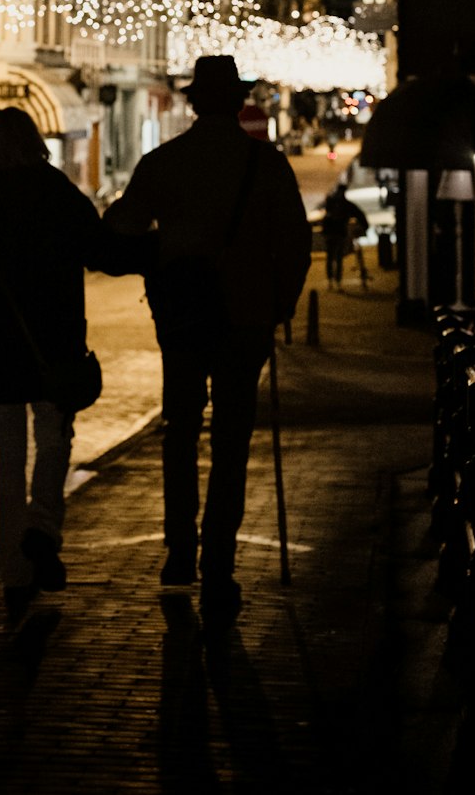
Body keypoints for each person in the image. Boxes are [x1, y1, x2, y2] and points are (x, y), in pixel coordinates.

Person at [103, 54, 312, 628]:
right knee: (232, 441)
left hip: (184, 317)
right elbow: (295, 243)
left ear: (194, 102)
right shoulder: (265, 166)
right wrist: (279, 305)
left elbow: (121, 226)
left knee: (180, 433)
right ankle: (219, 560)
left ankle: (178, 553)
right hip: (245, 320)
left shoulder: (165, 162)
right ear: (238, 101)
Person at [0, 108, 103, 623]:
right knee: (54, 443)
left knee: (5, 462)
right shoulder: (57, 194)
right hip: (52, 349)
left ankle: (14, 576)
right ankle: (43, 527)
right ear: (36, 143)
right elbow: (99, 248)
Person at [321, 182, 369, 291]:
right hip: (339, 233)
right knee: (338, 258)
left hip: (329, 234)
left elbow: (324, 214)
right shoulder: (346, 204)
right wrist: (365, 226)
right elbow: (359, 214)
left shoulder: (330, 202)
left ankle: (330, 281)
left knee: (330, 257)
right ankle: (337, 281)